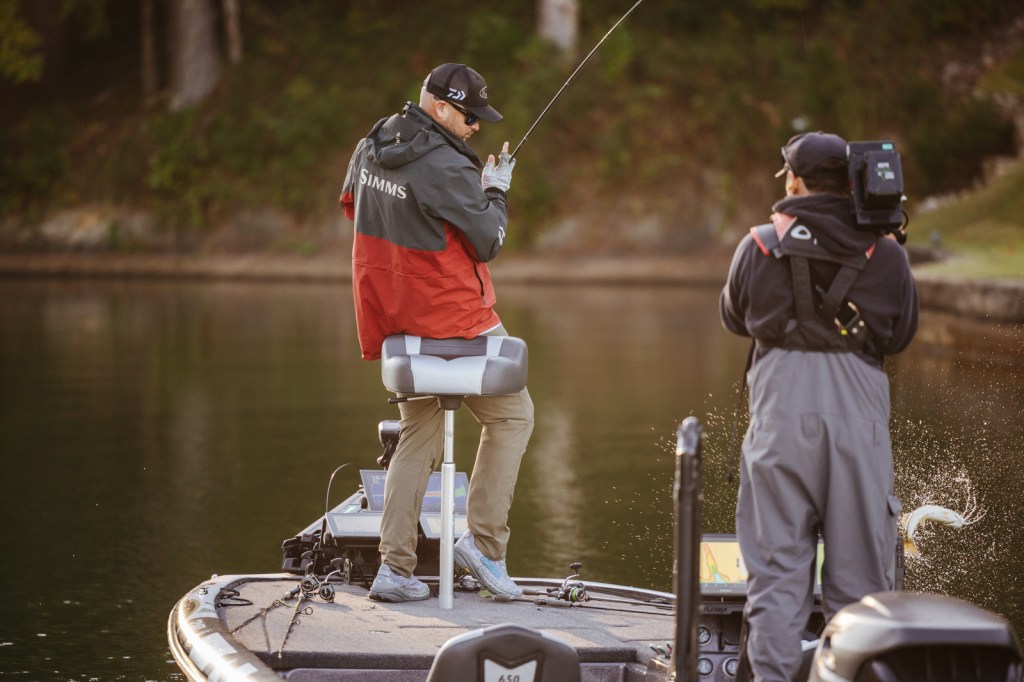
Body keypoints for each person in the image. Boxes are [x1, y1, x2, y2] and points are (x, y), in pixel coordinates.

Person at [719, 131, 919, 680]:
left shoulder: (759, 245)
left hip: (779, 421)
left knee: (776, 582)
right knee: (859, 588)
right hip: (857, 424)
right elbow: (901, 335)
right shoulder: (887, 254)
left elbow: (733, 317)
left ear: (793, 182)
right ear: (854, 183)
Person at [339, 63, 534, 603]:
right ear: (441, 107)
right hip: (455, 317)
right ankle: (484, 546)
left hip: (394, 319)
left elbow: (356, 208)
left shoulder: (371, 143)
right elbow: (489, 240)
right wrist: (494, 192)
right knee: (514, 416)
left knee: (417, 435)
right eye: (470, 117)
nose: (476, 127)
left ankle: (394, 569)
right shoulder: (446, 165)